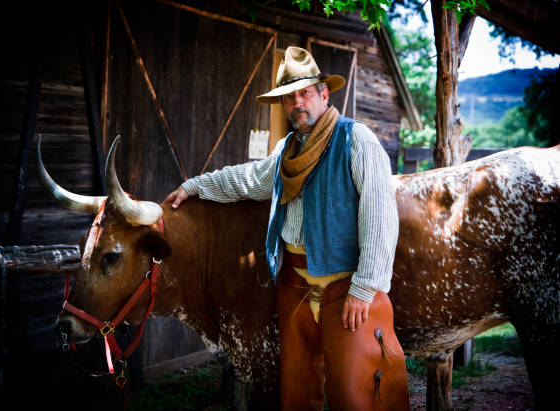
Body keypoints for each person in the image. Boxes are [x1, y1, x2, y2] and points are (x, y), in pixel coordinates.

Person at [165, 46, 410, 410]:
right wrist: (195, 186)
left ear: (324, 94)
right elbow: (247, 180)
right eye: (289, 97)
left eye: (305, 93)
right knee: (296, 395)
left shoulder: (356, 140)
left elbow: (381, 219)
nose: (298, 102)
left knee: (356, 398)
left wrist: (363, 288)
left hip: (346, 291)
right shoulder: (286, 151)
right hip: (293, 287)